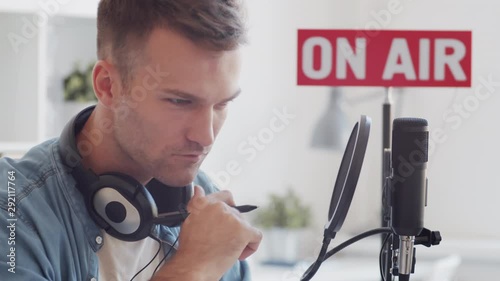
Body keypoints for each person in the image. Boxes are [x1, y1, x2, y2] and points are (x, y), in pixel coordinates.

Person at [0, 0, 262, 280]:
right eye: (179, 101)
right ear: (107, 86)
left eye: (222, 105)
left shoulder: (208, 203)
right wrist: (192, 268)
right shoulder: (13, 214)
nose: (205, 136)